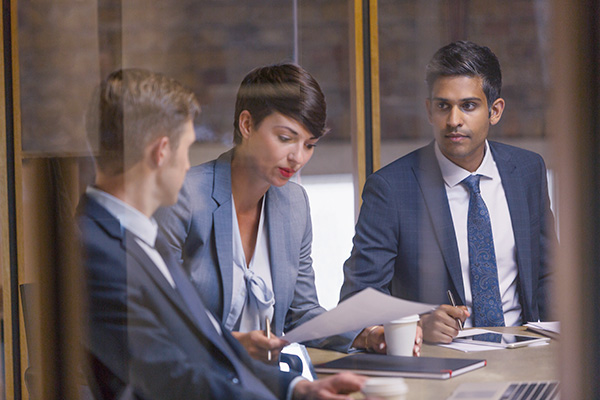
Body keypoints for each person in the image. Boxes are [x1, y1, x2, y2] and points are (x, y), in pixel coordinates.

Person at [78, 68, 366, 399]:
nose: (188, 166)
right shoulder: (97, 249)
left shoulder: (138, 235)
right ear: (161, 152)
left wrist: (296, 389)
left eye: (309, 144)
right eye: (186, 150)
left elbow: (206, 345)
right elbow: (173, 374)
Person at [154, 63, 413, 360]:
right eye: (286, 138)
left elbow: (301, 313)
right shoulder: (183, 196)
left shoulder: (294, 203)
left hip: (266, 379)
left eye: (309, 144)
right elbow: (158, 319)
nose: (298, 157)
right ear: (247, 125)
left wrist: (366, 335)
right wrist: (234, 345)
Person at [340, 41, 557, 344]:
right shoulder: (391, 188)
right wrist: (416, 324)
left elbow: (549, 276)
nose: (454, 120)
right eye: (443, 106)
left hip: (527, 350)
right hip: (442, 359)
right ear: (429, 111)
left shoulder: (528, 171)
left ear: (495, 111)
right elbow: (357, 301)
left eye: (468, 106)